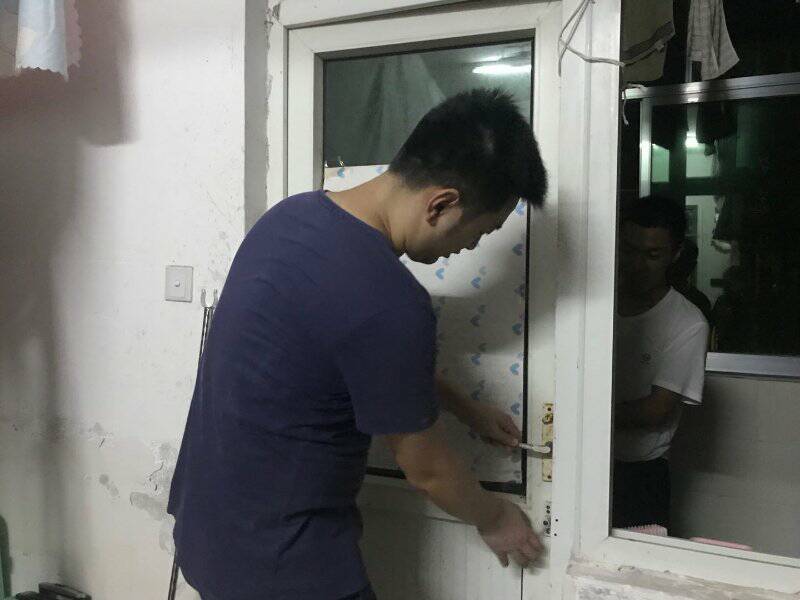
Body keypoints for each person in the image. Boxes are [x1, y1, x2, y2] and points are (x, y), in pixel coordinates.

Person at [167, 88, 548, 600]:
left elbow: (349, 353)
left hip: (209, 534)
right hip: (286, 566)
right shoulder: (391, 300)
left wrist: (465, 408)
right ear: (441, 204)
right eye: (479, 232)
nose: (468, 247)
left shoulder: (289, 218)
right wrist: (496, 516)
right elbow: (429, 471)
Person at [613, 195, 709, 531]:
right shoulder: (596, 304)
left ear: (676, 253)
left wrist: (580, 414)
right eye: (629, 250)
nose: (637, 264)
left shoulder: (687, 322)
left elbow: (657, 410)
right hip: (581, 458)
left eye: (652, 255)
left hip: (640, 476)